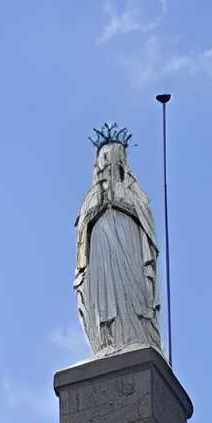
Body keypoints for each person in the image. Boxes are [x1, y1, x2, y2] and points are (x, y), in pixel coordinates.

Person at [74, 127, 162, 358]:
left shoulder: (133, 190)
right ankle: (107, 340)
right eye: (104, 158)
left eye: (113, 156)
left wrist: (120, 201)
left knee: (132, 291)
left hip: (127, 240)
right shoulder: (91, 197)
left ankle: (135, 335)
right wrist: (98, 204)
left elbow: (146, 221)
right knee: (104, 294)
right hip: (102, 246)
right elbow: (82, 231)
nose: (108, 164)